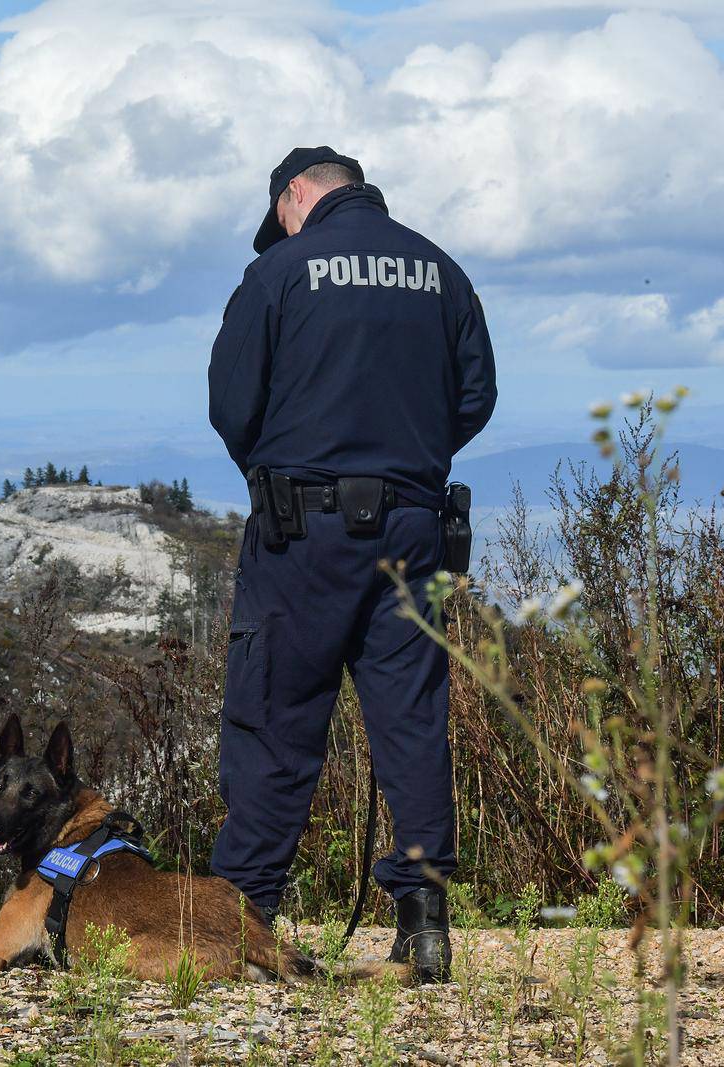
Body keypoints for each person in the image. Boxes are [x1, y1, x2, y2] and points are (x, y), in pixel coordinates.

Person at [206, 146, 496, 982]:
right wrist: (406, 461)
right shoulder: (442, 272)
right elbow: (475, 396)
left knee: (275, 715)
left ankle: (244, 913)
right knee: (410, 720)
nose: (281, 230)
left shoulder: (279, 274)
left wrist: (295, 465)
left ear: (297, 195)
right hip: (413, 529)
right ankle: (423, 924)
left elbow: (231, 406)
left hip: (303, 534)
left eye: (281, 217)